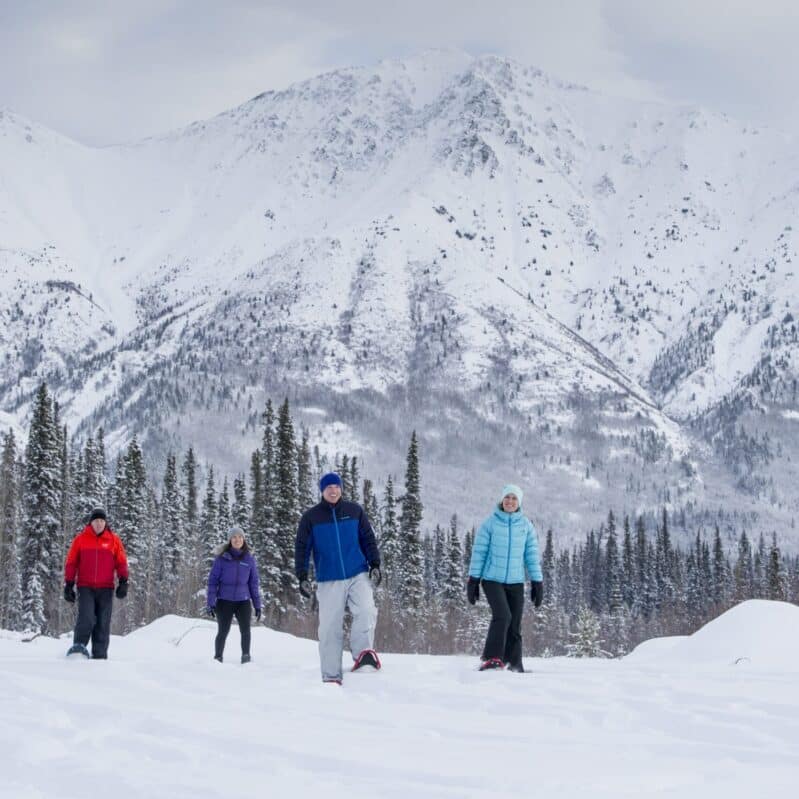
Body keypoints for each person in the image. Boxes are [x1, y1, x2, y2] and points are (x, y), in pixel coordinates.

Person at [295, 472, 382, 684]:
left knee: (366, 609)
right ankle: (331, 674)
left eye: (336, 486)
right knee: (329, 627)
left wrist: (375, 565)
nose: (333, 490)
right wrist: (302, 575)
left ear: (341, 488)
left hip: (357, 572)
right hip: (328, 579)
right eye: (328, 488)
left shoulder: (354, 512)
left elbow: (368, 539)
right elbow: (302, 548)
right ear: (322, 491)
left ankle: (362, 655)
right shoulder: (311, 518)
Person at [467, 484, 543, 672]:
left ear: (519, 502)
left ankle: (514, 663)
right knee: (503, 616)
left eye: (514, 498)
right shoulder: (490, 523)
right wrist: (473, 581)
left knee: (514, 623)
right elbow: (479, 553)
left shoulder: (525, 526)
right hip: (492, 579)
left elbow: (531, 556)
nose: (510, 501)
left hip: (516, 581)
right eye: (507, 498)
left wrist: (537, 582)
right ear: (502, 500)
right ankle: (492, 658)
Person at [63, 508, 129, 659]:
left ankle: (100, 656)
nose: (99, 524)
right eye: (96, 521)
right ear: (90, 522)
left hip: (106, 588)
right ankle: (78, 649)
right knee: (86, 617)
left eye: (101, 521)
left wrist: (123, 582)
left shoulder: (113, 540)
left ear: (105, 523)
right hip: (85, 587)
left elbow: (121, 563)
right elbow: (72, 563)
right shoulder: (81, 539)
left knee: (102, 622)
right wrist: (69, 584)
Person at [206, 526, 262, 663]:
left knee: (246, 630)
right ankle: (218, 658)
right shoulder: (221, 559)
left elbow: (253, 583)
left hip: (243, 601)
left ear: (244, 539)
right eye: (234, 537)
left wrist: (257, 605)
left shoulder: (249, 559)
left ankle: (246, 657)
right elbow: (212, 582)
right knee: (223, 631)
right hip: (224, 601)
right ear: (230, 540)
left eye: (240, 537)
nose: (237, 540)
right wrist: (211, 603)